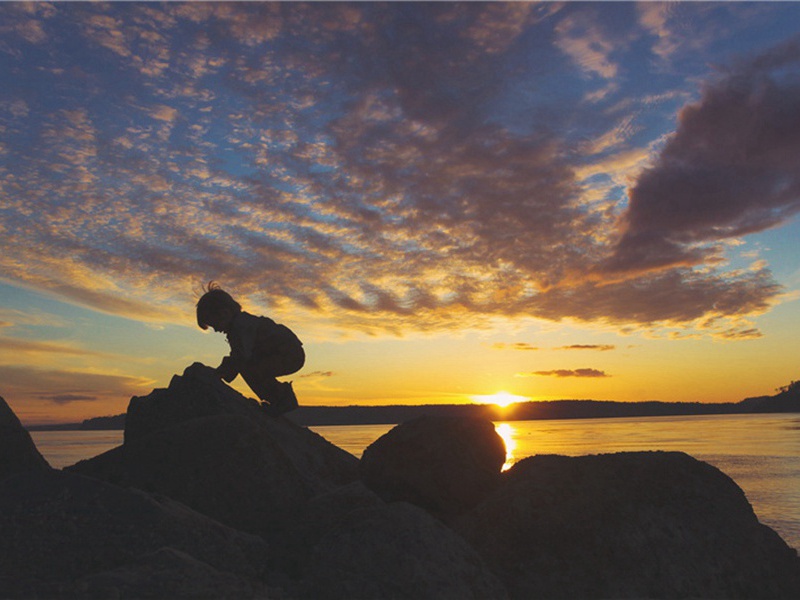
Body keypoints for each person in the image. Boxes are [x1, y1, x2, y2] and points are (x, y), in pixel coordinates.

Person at [196, 282, 304, 416]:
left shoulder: (241, 326)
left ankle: (282, 398)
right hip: (284, 352)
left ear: (224, 313)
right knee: (249, 367)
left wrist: (220, 373)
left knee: (249, 368)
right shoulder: (239, 325)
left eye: (215, 325)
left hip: (288, 353)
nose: (217, 330)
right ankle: (279, 398)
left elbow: (240, 356)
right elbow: (239, 355)